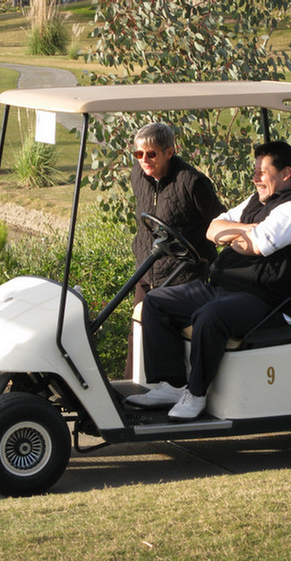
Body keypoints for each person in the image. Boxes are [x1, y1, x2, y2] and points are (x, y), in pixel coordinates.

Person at [127, 141, 291, 420]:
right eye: (255, 171)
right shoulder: (257, 201)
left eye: (262, 172)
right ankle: (172, 384)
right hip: (231, 288)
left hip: (273, 302)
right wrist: (247, 229)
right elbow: (213, 229)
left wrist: (239, 236)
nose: (256, 178)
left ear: (285, 173)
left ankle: (196, 394)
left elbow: (253, 246)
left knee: (211, 316)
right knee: (156, 301)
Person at [125, 123, 226, 378]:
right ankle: (129, 388)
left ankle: (171, 387)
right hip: (148, 268)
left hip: (185, 275)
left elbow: (219, 222)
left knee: (164, 331)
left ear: (169, 152)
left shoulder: (193, 183)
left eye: (151, 154)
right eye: (139, 154)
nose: (144, 160)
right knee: (137, 329)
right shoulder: (139, 175)